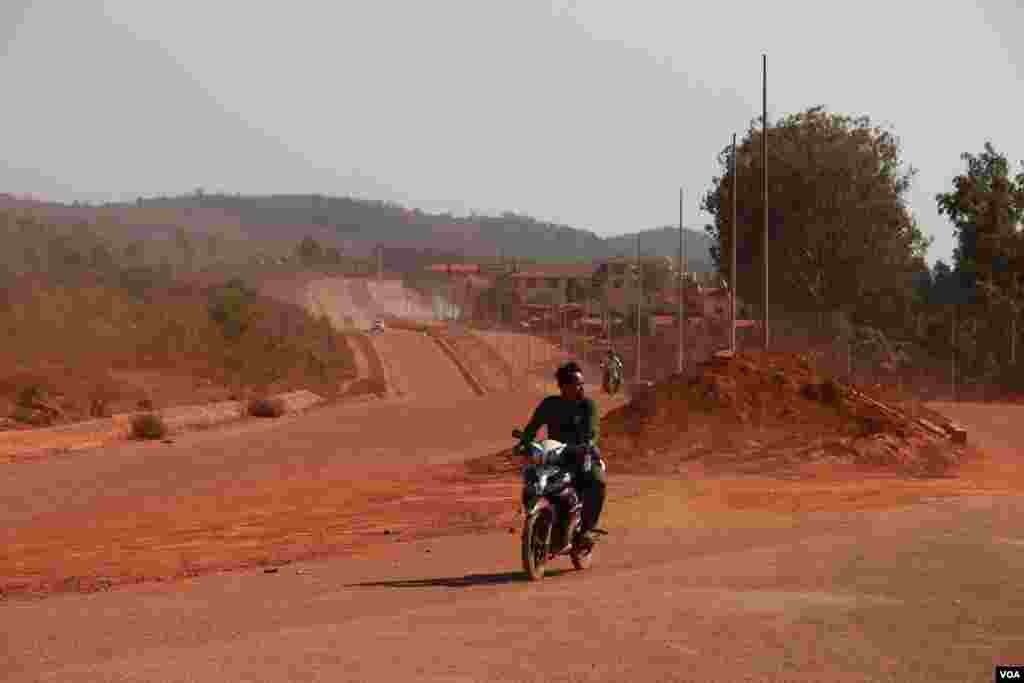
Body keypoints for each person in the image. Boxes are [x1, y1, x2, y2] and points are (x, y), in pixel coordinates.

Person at [516, 361, 607, 545]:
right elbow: (533, 427)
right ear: (563, 386)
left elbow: (593, 432)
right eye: (577, 384)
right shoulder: (550, 404)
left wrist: (588, 445)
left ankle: (587, 529)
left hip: (583, 456)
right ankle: (535, 517)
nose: (581, 387)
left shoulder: (587, 406)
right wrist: (523, 443)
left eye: (582, 384)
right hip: (555, 456)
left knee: (597, 482)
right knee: (532, 477)